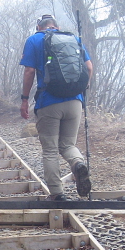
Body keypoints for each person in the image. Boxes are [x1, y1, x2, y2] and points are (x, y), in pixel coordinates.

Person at [20, 14, 93, 201]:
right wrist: (82, 90)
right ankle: (78, 164)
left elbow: (29, 71)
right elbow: (89, 68)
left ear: (39, 27)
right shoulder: (73, 39)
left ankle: (57, 193)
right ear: (56, 26)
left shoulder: (35, 39)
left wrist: (24, 99)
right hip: (75, 101)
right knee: (68, 144)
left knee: (51, 149)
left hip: (49, 102)